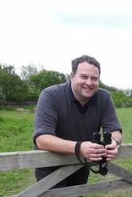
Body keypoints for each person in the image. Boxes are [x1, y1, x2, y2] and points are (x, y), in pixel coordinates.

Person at [33, 55, 122, 188]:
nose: (89, 82)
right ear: (71, 76)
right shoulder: (50, 95)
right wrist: (79, 147)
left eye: (94, 78)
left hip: (80, 165)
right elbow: (42, 139)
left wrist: (114, 143)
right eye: (83, 77)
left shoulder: (104, 98)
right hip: (50, 167)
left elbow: (115, 130)